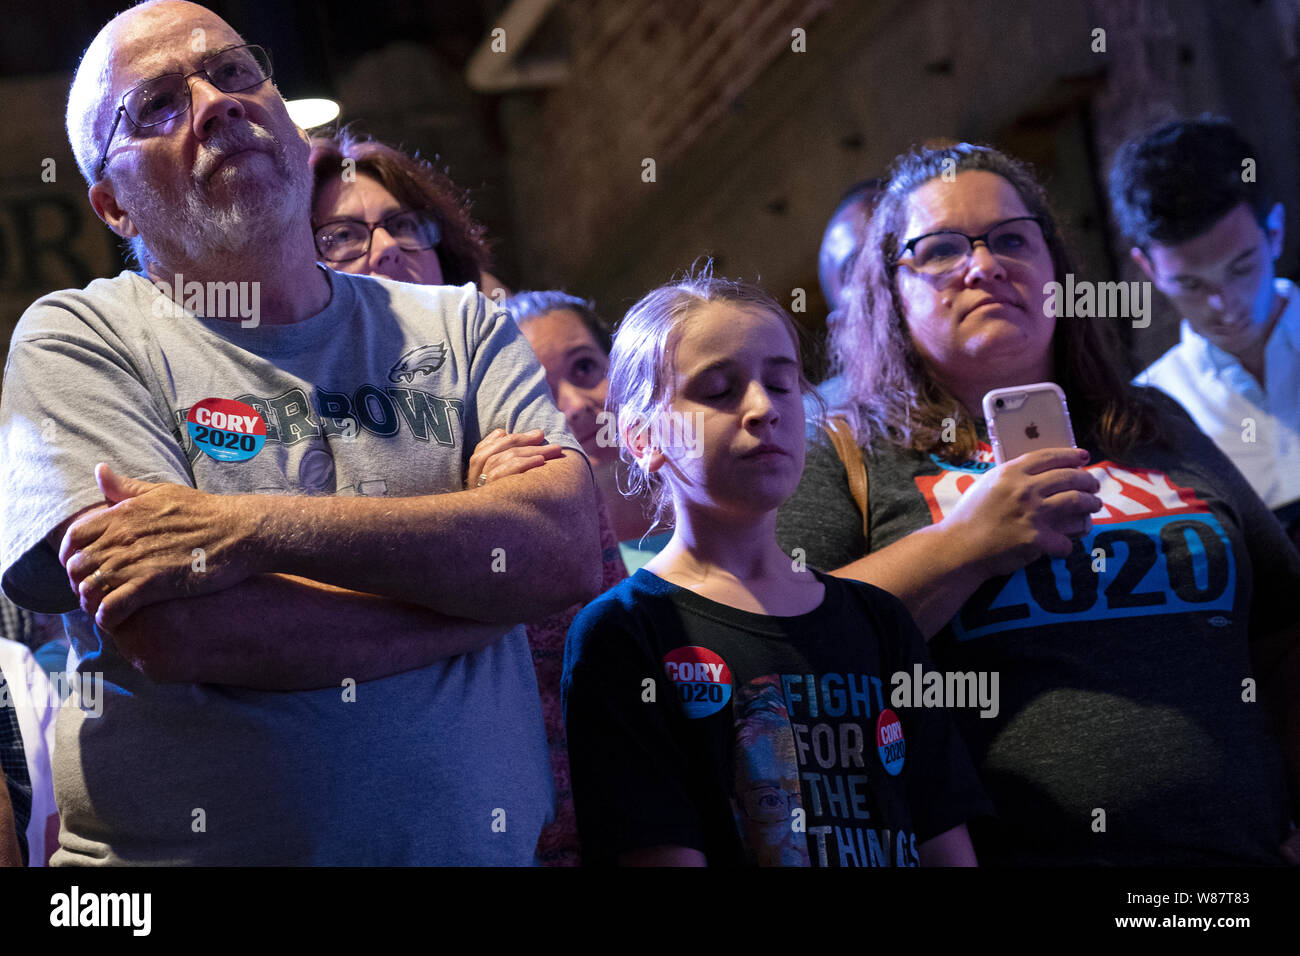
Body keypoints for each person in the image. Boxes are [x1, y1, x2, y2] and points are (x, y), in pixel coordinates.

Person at [0, 0, 601, 865]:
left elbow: (564, 553)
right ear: (112, 206)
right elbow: (181, 631)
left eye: (235, 70)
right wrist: (479, 600)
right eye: (158, 104)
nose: (216, 103)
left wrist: (241, 530)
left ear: (283, 112)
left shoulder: (457, 324)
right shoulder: (80, 338)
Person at [774, 142, 1300, 865]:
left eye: (1012, 240)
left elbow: (1283, 631)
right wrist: (966, 543)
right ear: (889, 288)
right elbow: (788, 648)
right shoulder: (841, 450)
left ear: (1057, 271)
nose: (984, 266)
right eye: (941, 249)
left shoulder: (1154, 419)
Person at [562, 269, 990, 866]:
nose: (762, 408)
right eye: (718, 390)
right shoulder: (625, 633)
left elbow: (944, 843)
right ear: (642, 436)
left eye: (783, 384)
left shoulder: (879, 622)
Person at [308, 155, 626, 866]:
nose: (385, 247)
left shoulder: (523, 427)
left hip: (572, 823)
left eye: (402, 225)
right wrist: (479, 512)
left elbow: (590, 625)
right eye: (341, 236)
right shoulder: (299, 436)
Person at [1110, 117, 1300, 540]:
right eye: (1191, 284)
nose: (1224, 303)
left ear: (1275, 231)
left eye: (1242, 267)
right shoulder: (1150, 417)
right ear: (1148, 268)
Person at [504, 291, 663, 569]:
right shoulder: (539, 568)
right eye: (539, 394)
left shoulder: (727, 502)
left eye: (584, 366)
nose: (575, 406)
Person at [811, 179, 887, 415]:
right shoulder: (815, 426)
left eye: (893, 251)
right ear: (840, 328)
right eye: (857, 268)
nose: (883, 273)